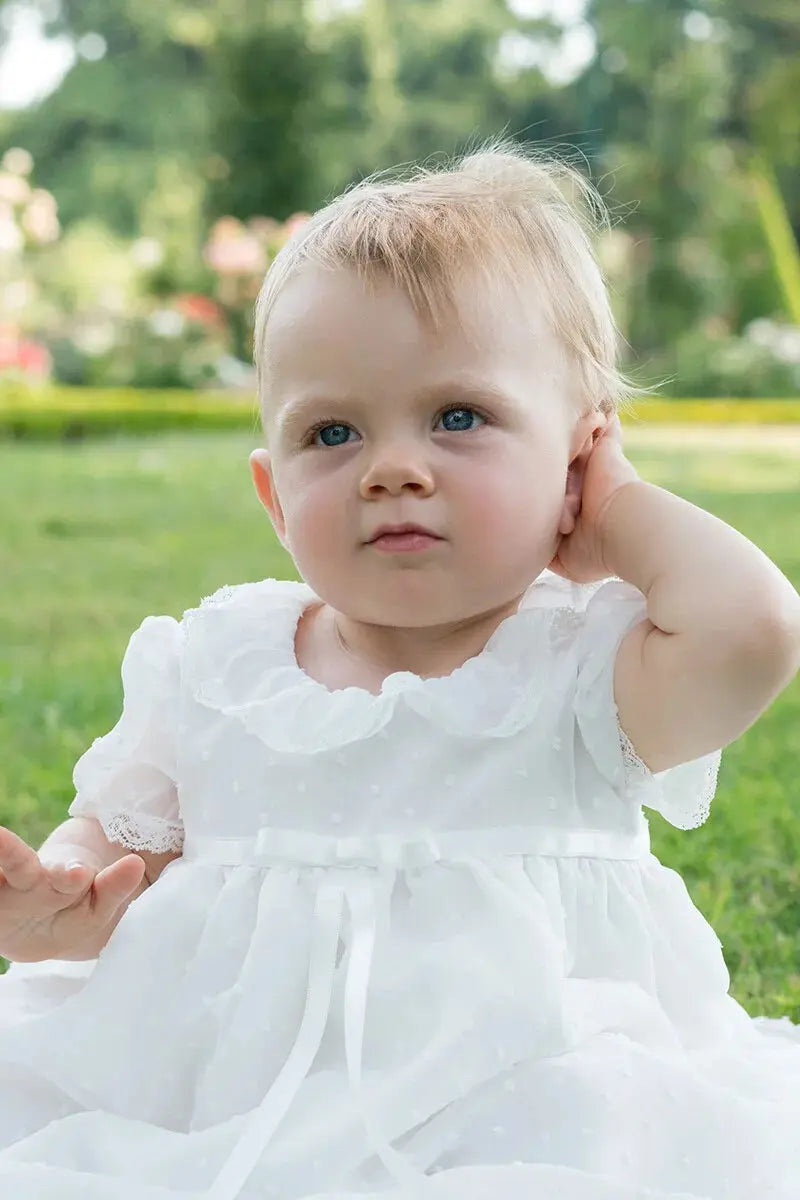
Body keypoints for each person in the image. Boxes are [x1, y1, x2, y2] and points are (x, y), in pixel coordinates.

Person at [0, 137, 799, 1200]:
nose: (393, 469)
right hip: (221, 1093)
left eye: (458, 417)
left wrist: (617, 517)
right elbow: (126, 832)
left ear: (577, 460)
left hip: (510, 1088)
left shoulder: (578, 669)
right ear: (275, 499)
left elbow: (753, 632)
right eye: (331, 432)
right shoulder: (220, 662)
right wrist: (69, 886)